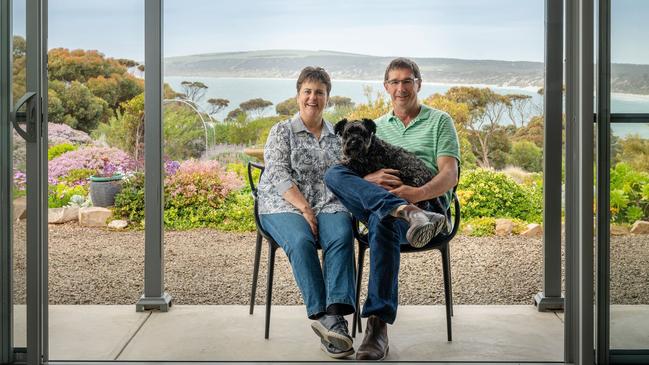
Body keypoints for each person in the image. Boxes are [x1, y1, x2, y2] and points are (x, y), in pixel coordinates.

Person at [324, 58, 461, 360]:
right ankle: (402, 210)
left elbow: (450, 175)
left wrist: (416, 194)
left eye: (407, 81)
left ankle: (376, 327)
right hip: (388, 208)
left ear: (418, 84)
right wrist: (370, 179)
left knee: (381, 219)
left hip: (429, 211)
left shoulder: (440, 121)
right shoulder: (374, 128)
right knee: (334, 174)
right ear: (386, 87)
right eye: (395, 82)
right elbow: (354, 174)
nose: (401, 87)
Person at [257, 66, 356, 359]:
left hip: (328, 202)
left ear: (328, 97)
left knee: (341, 234)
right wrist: (304, 210)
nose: (313, 98)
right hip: (282, 204)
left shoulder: (338, 135)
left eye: (319, 93)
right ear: (298, 94)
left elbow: (349, 171)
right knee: (301, 242)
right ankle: (326, 319)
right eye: (307, 92)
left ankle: (336, 314)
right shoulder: (282, 131)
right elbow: (278, 175)